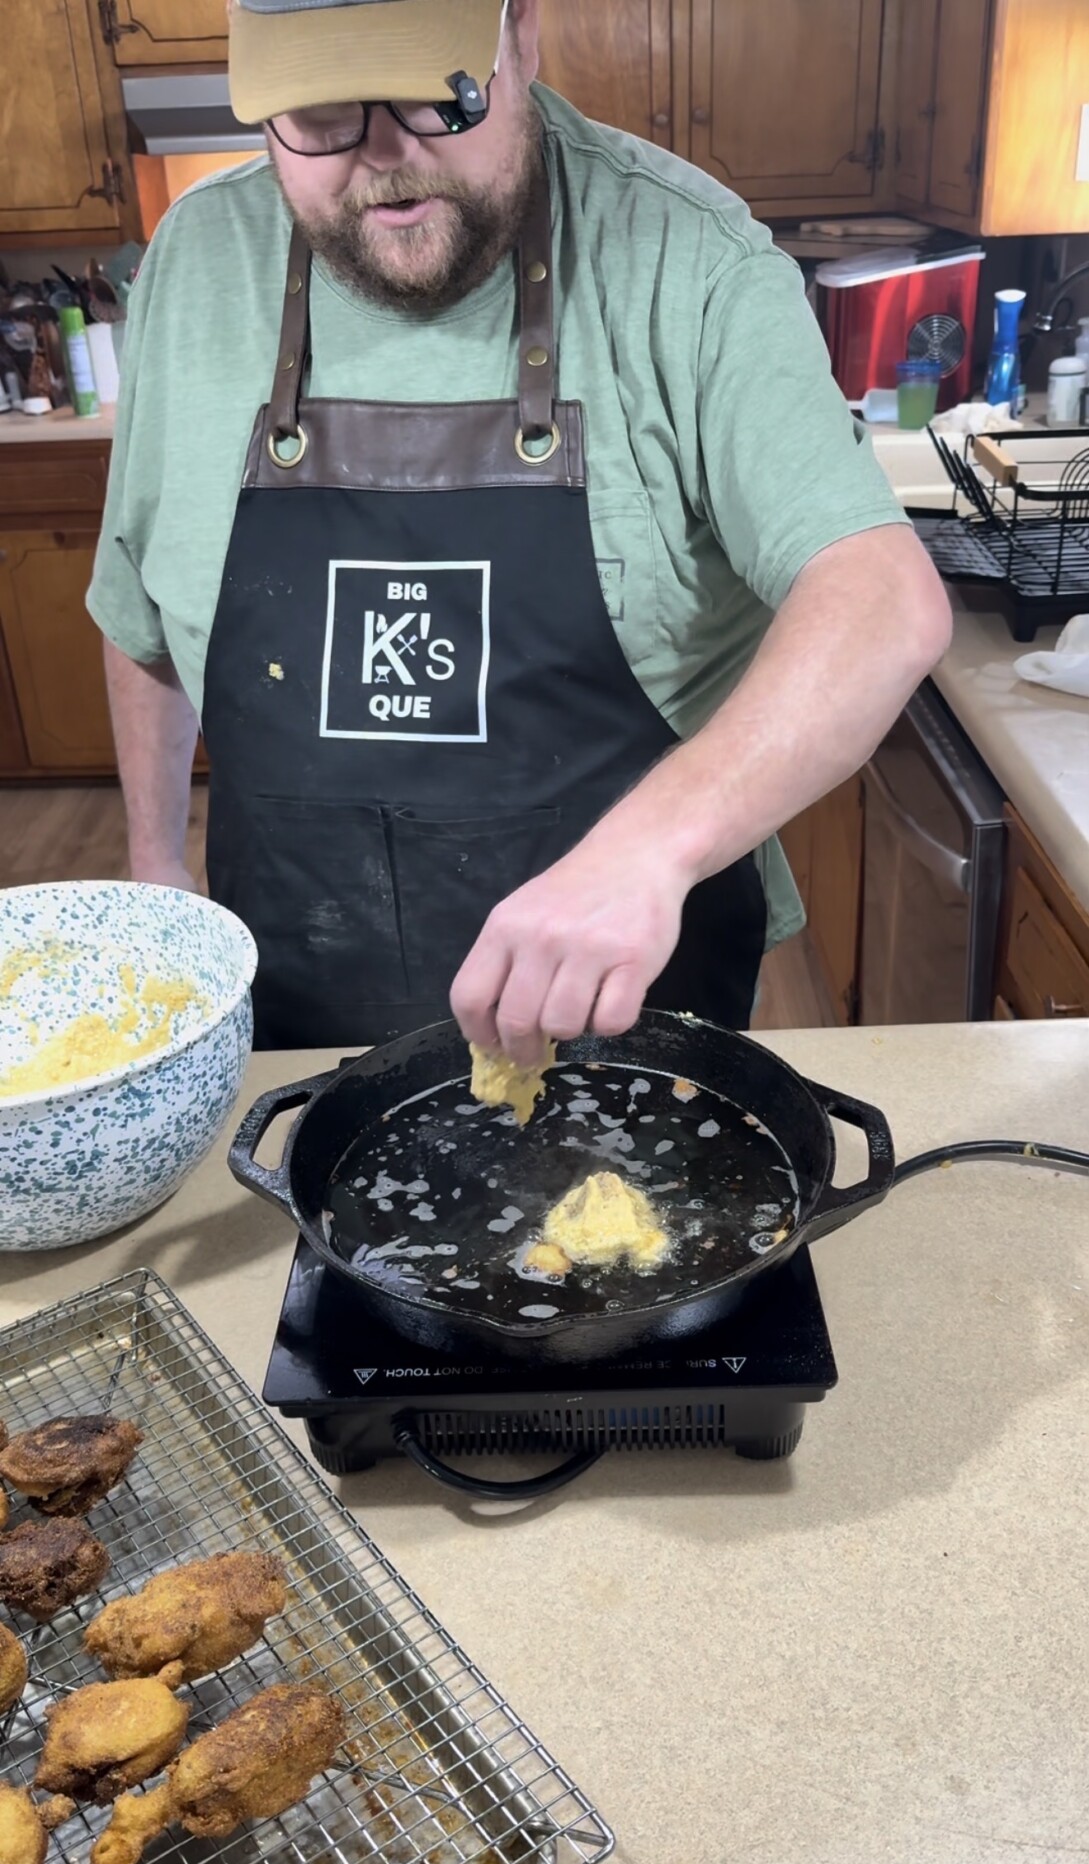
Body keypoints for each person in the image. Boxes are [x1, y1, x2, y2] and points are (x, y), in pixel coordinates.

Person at [91, 0, 951, 1066]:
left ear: (522, 35)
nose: (387, 160)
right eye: (318, 114)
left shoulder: (688, 258)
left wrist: (645, 851)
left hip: (632, 1027)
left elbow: (880, 598)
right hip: (289, 1022)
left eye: (434, 94)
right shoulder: (197, 262)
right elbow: (137, 606)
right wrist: (154, 867)